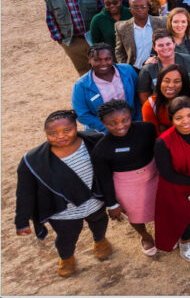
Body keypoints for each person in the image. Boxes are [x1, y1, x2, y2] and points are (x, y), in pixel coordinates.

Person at [15, 110, 112, 277]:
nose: (60, 136)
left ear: (76, 126)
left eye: (67, 130)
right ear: (46, 133)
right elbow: (25, 193)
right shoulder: (32, 161)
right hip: (63, 211)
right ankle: (67, 258)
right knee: (66, 237)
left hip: (93, 201)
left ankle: (100, 241)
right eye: (52, 134)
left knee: (99, 222)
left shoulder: (93, 140)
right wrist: (22, 221)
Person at [91, 101, 159, 257]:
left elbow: (156, 150)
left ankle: (164, 232)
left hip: (154, 175)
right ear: (103, 123)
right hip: (125, 184)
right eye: (112, 123)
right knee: (134, 213)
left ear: (131, 116)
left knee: (161, 207)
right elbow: (105, 179)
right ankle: (145, 236)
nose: (120, 126)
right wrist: (112, 204)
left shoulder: (147, 129)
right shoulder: (101, 150)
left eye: (125, 120)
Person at [152, 97, 190, 258]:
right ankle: (185, 241)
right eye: (179, 118)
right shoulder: (163, 142)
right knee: (184, 216)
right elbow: (167, 173)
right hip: (177, 185)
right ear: (171, 119)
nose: (186, 121)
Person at [46, 0, 103, 75]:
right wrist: (60, 40)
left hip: (94, 37)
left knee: (103, 65)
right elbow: (50, 19)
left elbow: (102, 11)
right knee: (83, 71)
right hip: (72, 41)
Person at [71, 43, 140, 132]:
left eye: (107, 59)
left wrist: (137, 120)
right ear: (89, 60)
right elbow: (82, 114)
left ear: (112, 58)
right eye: (97, 60)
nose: (103, 63)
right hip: (101, 131)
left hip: (133, 123)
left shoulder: (128, 70)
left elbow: (138, 97)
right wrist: (108, 128)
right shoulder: (81, 85)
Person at [136, 29, 190, 105]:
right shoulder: (148, 69)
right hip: (161, 109)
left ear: (174, 44)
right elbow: (143, 96)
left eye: (168, 44)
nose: (165, 48)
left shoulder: (189, 60)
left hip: (188, 107)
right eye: (160, 45)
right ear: (154, 47)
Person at [141, 64, 190, 132]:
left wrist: (166, 130)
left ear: (183, 83)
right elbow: (153, 136)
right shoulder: (151, 105)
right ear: (159, 82)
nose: (171, 85)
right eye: (166, 81)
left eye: (176, 81)